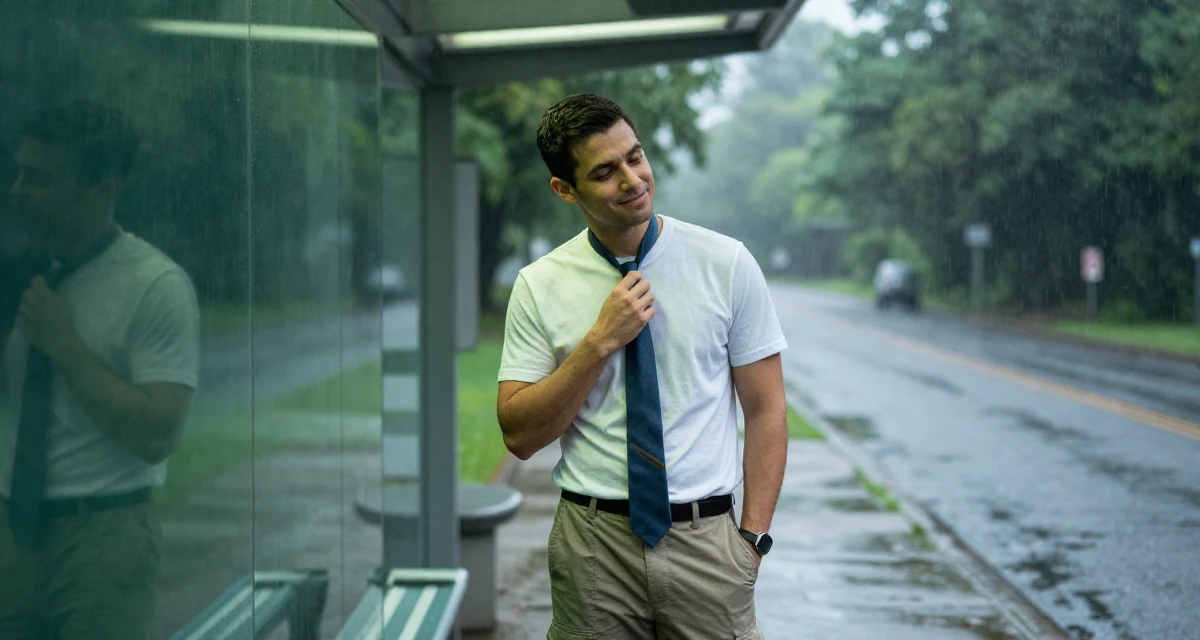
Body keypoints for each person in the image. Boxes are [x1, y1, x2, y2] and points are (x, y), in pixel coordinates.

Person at [497, 94, 788, 639]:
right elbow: (519, 434)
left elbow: (766, 407)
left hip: (708, 544)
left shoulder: (726, 263)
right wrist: (599, 341)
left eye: (635, 156)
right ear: (565, 189)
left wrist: (752, 539)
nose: (632, 180)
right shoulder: (540, 285)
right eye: (604, 171)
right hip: (594, 547)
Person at [0, 101, 201, 639]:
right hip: (12, 529)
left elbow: (158, 435)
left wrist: (63, 346)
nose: (18, 190)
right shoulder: (21, 272)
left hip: (103, 538)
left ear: (103, 190)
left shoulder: (155, 285)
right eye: (19, 171)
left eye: (40, 178)